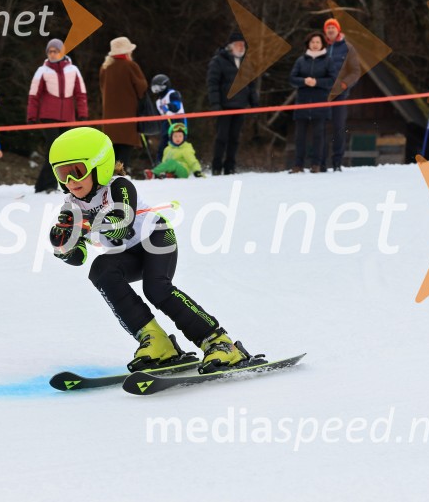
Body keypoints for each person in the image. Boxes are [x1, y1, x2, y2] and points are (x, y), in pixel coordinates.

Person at [47, 127, 262, 373]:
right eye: (62, 174)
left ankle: (219, 342)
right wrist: (63, 245)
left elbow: (120, 224)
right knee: (100, 270)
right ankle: (157, 342)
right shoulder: (71, 206)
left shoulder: (120, 186)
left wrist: (82, 226)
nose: (70, 182)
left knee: (156, 288)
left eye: (76, 171)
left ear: (100, 166)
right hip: (127, 254)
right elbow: (79, 258)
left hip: (156, 238)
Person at [27, 38, 89, 193]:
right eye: (50, 51)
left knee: (65, 151)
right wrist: (31, 116)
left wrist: (82, 113)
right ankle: (49, 185)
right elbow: (34, 95)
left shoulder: (73, 70)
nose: (52, 54)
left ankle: (42, 185)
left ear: (62, 52)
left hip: (68, 116)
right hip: (49, 115)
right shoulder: (43, 70)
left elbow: (80, 93)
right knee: (53, 150)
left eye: (55, 51)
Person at [206, 31, 259, 175]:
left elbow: (251, 85)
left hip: (240, 106)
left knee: (235, 138)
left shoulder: (247, 63)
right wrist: (216, 105)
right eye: (238, 45)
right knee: (221, 137)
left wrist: (254, 103)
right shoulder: (218, 61)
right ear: (230, 46)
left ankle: (230, 166)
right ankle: (216, 166)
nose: (241, 47)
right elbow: (213, 84)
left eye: (243, 45)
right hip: (224, 107)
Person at [289, 31, 336, 173]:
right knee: (299, 137)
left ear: (322, 44)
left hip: (320, 103)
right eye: (312, 42)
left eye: (317, 42)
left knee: (318, 136)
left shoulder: (328, 60)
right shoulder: (300, 60)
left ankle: (317, 164)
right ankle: (298, 165)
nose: (315, 45)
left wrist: (317, 82)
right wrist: (304, 81)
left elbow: (332, 80)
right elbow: (292, 78)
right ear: (308, 44)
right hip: (302, 103)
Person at [99, 36, 148, 169]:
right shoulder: (131, 66)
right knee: (125, 148)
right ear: (127, 52)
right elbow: (141, 87)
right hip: (127, 116)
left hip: (109, 118)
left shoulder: (105, 68)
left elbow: (102, 88)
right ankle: (120, 177)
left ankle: (110, 176)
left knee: (112, 150)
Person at [323, 18, 360, 171]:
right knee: (321, 128)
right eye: (328, 28)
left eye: (333, 27)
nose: (331, 30)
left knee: (338, 127)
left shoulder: (347, 47)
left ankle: (337, 162)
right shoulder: (320, 46)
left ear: (338, 30)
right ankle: (320, 162)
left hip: (340, 94)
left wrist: (344, 84)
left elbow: (356, 71)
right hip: (322, 93)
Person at [150, 74, 186, 163]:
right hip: (166, 123)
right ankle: (160, 164)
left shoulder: (172, 93)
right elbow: (159, 114)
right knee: (163, 144)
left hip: (177, 121)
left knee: (176, 143)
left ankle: (179, 163)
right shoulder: (158, 101)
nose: (157, 91)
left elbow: (177, 105)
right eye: (155, 88)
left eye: (159, 88)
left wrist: (168, 106)